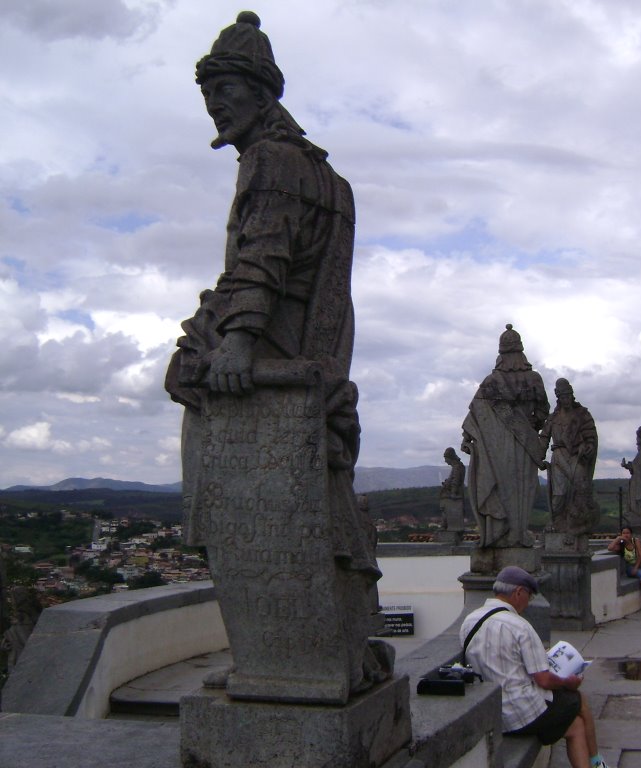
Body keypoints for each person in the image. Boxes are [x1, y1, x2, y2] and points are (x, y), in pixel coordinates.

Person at [164, 11, 387, 698]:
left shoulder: (276, 162)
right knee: (317, 508)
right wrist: (210, 320)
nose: (215, 105)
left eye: (225, 90)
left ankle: (288, 665)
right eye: (209, 96)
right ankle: (332, 657)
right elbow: (259, 266)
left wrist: (231, 338)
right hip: (299, 372)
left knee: (236, 512)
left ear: (263, 95)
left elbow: (265, 254)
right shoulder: (322, 175)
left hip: (264, 374)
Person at [460, 567, 612, 768]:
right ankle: (596, 761)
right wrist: (568, 682)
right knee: (578, 699)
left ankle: (595, 762)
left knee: (575, 726)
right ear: (518, 593)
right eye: (529, 597)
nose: (528, 603)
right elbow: (544, 680)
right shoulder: (519, 626)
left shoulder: (470, 621)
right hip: (521, 713)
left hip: (493, 710)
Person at [461, 325, 549, 548]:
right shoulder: (534, 378)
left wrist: (468, 437)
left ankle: (504, 532)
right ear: (521, 352)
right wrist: (531, 428)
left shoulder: (491, 381)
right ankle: (518, 533)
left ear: (501, 355)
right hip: (525, 444)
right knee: (524, 489)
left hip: (496, 448)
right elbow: (543, 411)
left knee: (502, 488)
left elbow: (474, 414)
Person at [541, 378, 600, 538]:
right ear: (558, 398)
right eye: (563, 396)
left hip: (576, 457)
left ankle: (577, 523)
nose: (567, 399)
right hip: (559, 457)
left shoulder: (582, 415)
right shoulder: (553, 418)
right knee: (559, 494)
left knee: (580, 490)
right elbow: (544, 438)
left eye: (569, 396)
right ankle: (556, 522)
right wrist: (539, 457)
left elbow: (590, 436)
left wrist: (587, 447)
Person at [607, 526, 641, 614]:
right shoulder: (621, 546)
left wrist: (636, 567)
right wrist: (618, 539)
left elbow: (640, 555)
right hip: (630, 568)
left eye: (627, 533)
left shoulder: (636, 541)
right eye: (624, 533)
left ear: (631, 534)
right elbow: (610, 548)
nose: (626, 535)